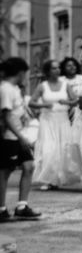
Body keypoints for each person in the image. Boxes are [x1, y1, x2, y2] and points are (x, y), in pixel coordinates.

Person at [0, 57, 41, 220]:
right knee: (4, 172)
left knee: (29, 166)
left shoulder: (15, 88)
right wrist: (19, 136)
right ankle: (1, 208)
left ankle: (22, 206)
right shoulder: (5, 89)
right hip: (10, 137)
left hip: (20, 135)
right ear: (20, 72)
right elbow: (6, 116)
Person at [30, 58, 73, 190]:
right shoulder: (42, 86)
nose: (57, 70)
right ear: (48, 71)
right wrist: (44, 104)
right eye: (54, 68)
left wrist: (67, 103)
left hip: (62, 120)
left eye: (58, 68)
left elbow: (76, 100)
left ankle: (57, 179)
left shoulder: (66, 84)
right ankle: (46, 179)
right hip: (47, 120)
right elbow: (31, 102)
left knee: (62, 148)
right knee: (49, 149)